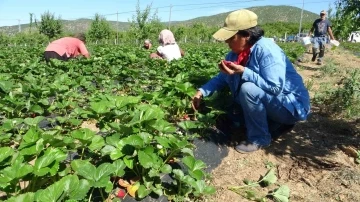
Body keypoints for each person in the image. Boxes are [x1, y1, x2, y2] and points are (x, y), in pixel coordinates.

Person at [191, 9, 310, 153]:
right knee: (234, 116)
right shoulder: (235, 54)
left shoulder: (267, 50)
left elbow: (275, 88)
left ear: (246, 35)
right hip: (274, 103)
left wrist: (244, 71)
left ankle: (259, 138)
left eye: (231, 37)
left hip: (290, 106)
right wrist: (201, 92)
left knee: (248, 89)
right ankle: (275, 123)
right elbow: (222, 77)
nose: (227, 42)